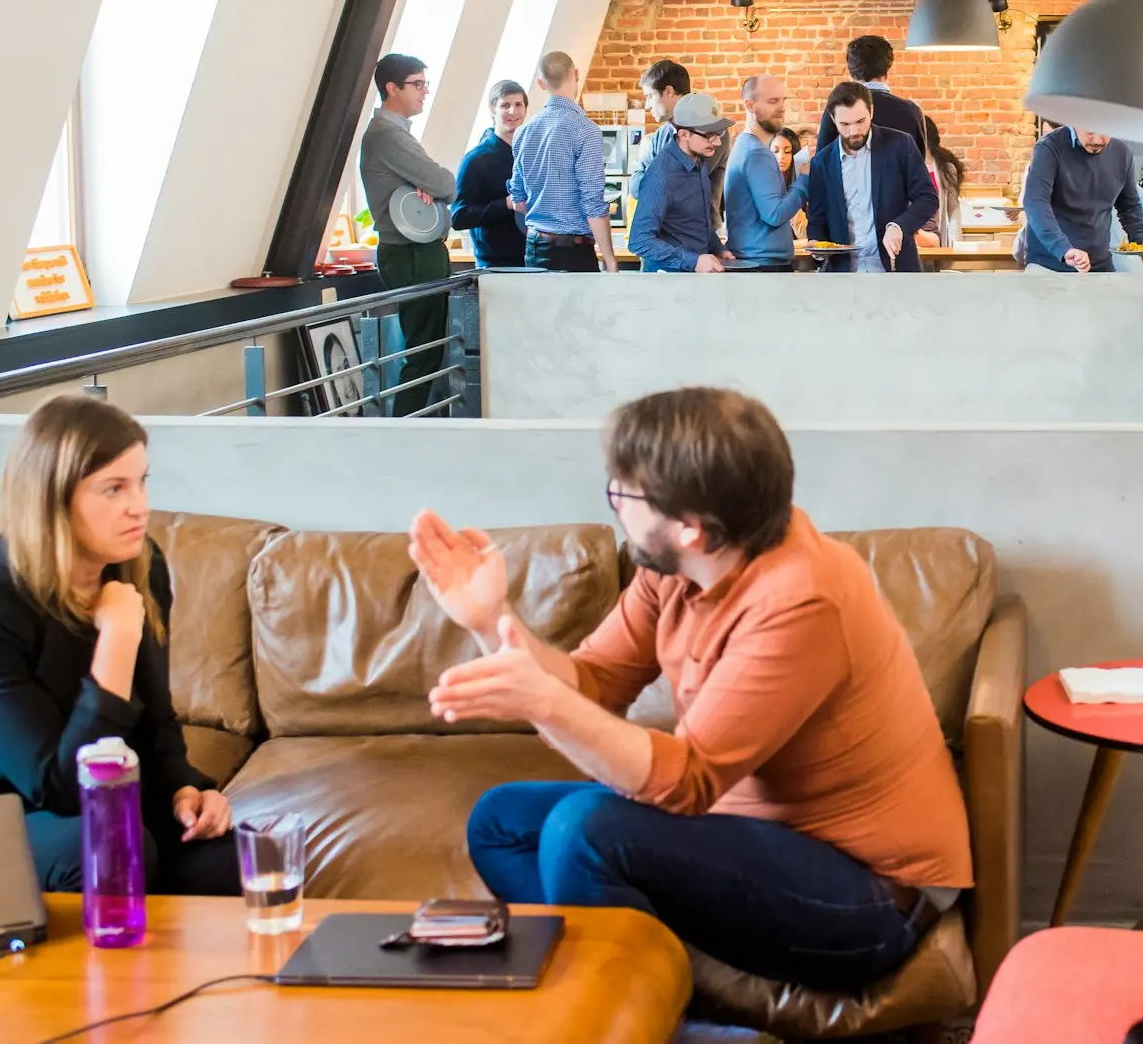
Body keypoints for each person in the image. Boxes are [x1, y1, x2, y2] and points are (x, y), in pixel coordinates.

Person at [411, 387, 972, 992]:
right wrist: (490, 620)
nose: (616, 507)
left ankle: (625, 1012)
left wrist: (545, 705)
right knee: (501, 822)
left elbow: (687, 782)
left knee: (584, 829)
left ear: (691, 530)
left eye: (623, 494)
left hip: (869, 895)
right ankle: (650, 999)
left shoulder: (803, 599)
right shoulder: (676, 570)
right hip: (752, 842)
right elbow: (594, 683)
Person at [0, 397, 237, 896]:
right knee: (107, 844)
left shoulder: (138, 566)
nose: (139, 506)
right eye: (113, 489)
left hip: (75, 810)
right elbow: (60, 786)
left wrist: (187, 788)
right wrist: (116, 642)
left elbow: (156, 726)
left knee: (226, 858)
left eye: (141, 481)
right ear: (51, 500)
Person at [359, 53, 458, 417]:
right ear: (392, 88)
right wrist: (429, 183)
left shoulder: (393, 134)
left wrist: (425, 184)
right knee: (424, 352)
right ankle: (404, 429)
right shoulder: (388, 136)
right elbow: (446, 183)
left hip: (415, 251)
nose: (424, 92)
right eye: (417, 84)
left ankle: (412, 425)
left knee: (429, 350)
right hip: (411, 254)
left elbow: (436, 185)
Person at [804, 82, 938, 273]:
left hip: (894, 269)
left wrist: (899, 226)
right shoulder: (821, 163)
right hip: (844, 274)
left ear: (871, 112)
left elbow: (927, 198)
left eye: (860, 121)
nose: (854, 131)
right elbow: (817, 220)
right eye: (845, 124)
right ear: (833, 119)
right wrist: (817, 245)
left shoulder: (900, 145)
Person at [510, 51, 618, 273]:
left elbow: (518, 200)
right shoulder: (585, 130)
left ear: (541, 84)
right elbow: (593, 202)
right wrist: (610, 258)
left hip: (534, 248)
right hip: (572, 253)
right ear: (576, 74)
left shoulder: (523, 132)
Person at [1019, 126, 1143, 273]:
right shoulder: (1049, 147)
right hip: (1049, 265)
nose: (1098, 140)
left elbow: (1129, 206)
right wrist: (1063, 249)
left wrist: (1141, 236)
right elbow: (1035, 203)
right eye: (1091, 130)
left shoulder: (1122, 153)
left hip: (1100, 265)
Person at [627, 92, 735, 274]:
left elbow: (695, 222)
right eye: (709, 135)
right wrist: (694, 261)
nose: (717, 142)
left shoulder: (698, 162)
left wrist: (718, 248)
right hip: (668, 283)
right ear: (684, 134)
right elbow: (639, 241)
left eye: (719, 133)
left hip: (696, 279)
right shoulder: (661, 175)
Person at [724, 75, 808, 272]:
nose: (781, 108)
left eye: (782, 100)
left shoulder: (747, 146)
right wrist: (804, 181)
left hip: (755, 263)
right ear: (750, 105)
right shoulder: (757, 153)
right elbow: (774, 214)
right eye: (772, 101)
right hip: (762, 267)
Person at [633, 59, 728, 222]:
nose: (647, 105)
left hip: (698, 236)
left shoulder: (714, 131)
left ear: (669, 91)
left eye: (649, 96)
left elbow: (680, 185)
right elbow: (635, 187)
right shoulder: (660, 134)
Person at [451, 80, 528, 268]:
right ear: (492, 109)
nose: (513, 112)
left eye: (518, 104)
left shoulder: (532, 154)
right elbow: (458, 217)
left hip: (533, 260)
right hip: (494, 266)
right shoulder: (475, 160)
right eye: (505, 105)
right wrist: (507, 204)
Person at [814, 35, 929, 156]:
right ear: (887, 69)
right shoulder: (911, 111)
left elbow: (822, 163)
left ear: (851, 71)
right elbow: (919, 163)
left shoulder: (838, 109)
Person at [914, 116, 965, 248]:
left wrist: (956, 243)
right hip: (908, 233)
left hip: (932, 234)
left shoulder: (945, 168)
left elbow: (953, 208)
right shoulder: (903, 165)